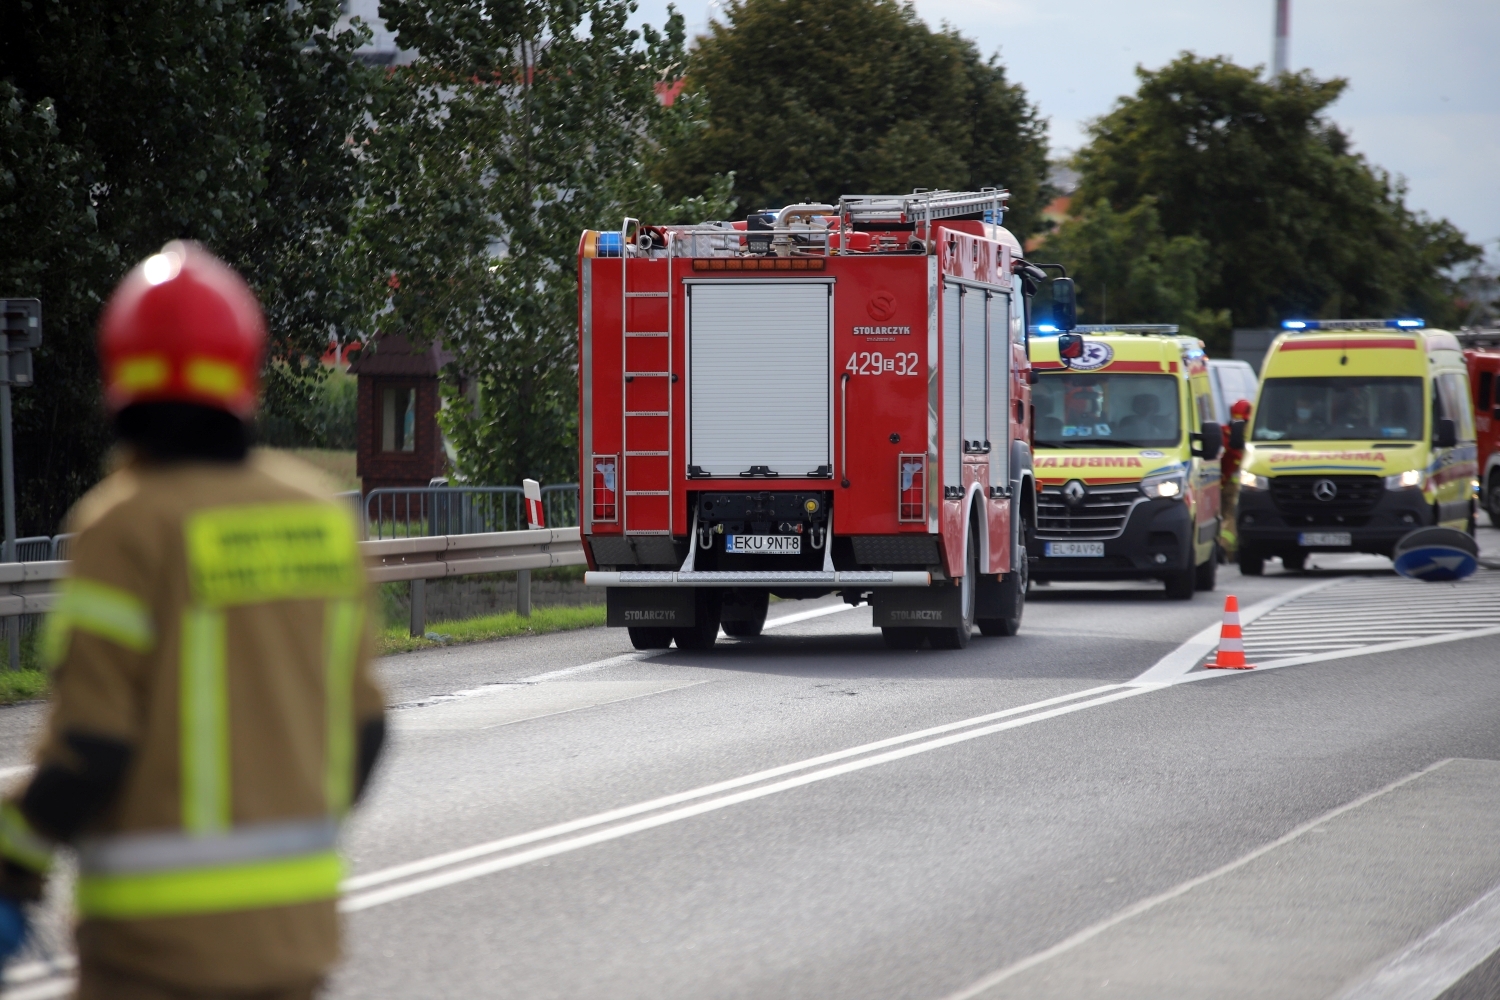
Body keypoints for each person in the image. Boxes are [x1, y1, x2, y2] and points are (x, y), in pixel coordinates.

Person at [0, 242, 386, 998]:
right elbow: (367, 731)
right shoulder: (320, 517)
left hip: (152, 965)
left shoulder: (124, 526)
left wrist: (14, 859)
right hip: (294, 952)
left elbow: (91, 747)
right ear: (243, 373)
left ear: (120, 380)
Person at [1219, 398, 1253, 559]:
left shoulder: (1224, 433)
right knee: (1231, 518)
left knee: (1227, 518)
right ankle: (1224, 548)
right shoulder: (1238, 436)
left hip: (1226, 485)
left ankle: (1228, 549)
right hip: (1231, 488)